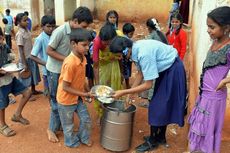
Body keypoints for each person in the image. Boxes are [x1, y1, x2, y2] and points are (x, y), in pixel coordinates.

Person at [110, 36, 187, 152]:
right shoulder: (135, 49)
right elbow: (140, 74)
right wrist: (129, 94)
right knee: (161, 105)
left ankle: (153, 141)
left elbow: (148, 85)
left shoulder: (143, 54)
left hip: (173, 70)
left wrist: (123, 92)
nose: (120, 58)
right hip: (165, 70)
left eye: (120, 55)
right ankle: (160, 137)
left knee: (157, 106)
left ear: (126, 50)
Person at [45, 6, 93, 143]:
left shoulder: (80, 38)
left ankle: (61, 125)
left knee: (64, 99)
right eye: (83, 26)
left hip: (71, 68)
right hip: (56, 70)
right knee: (56, 102)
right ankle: (51, 129)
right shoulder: (60, 31)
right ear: (75, 21)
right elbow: (49, 50)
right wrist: (67, 59)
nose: (84, 29)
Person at [188, 6, 230, 153]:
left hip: (214, 97)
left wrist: (224, 81)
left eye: (212, 27)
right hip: (204, 94)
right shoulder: (216, 41)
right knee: (200, 127)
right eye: (207, 26)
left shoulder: (228, 48)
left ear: (226, 28)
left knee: (207, 128)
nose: (208, 30)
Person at [57, 28, 94, 148]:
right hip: (66, 100)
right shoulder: (70, 63)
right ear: (73, 44)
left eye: (88, 45)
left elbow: (81, 77)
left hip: (77, 97)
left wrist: (87, 90)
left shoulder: (83, 58)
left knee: (86, 119)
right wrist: (85, 94)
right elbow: (65, 87)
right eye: (84, 45)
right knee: (68, 125)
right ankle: (70, 142)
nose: (87, 48)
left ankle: (83, 137)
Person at [0, 28, 31, 137]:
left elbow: (11, 57)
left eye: (1, 37)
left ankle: (17, 115)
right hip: (0, 83)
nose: (1, 40)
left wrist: (15, 63)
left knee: (27, 93)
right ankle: (2, 125)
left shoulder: (4, 46)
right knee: (2, 104)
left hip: (9, 77)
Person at [92, 23, 120, 123]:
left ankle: (112, 112)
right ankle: (101, 114)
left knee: (115, 88)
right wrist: (98, 84)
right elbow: (95, 65)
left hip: (114, 63)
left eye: (110, 43)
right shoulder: (97, 42)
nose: (107, 45)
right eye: (105, 44)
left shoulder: (118, 37)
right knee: (102, 89)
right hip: (102, 64)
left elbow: (121, 55)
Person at [15, 13, 42, 95]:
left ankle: (33, 90)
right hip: (25, 58)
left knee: (33, 74)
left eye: (27, 20)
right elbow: (20, 50)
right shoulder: (20, 34)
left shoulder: (27, 30)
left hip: (31, 56)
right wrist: (24, 63)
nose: (27, 22)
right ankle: (26, 94)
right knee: (26, 76)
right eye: (25, 20)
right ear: (19, 22)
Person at [30, 15, 56, 97]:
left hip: (56, 68)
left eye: (53, 26)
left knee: (56, 89)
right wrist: (46, 63)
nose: (51, 29)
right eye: (48, 26)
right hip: (47, 70)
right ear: (42, 27)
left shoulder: (54, 35)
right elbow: (32, 56)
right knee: (49, 91)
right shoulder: (40, 39)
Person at [122, 23, 135, 89]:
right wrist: (130, 51)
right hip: (125, 59)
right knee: (125, 72)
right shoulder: (126, 40)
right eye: (131, 34)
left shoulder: (126, 39)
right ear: (125, 33)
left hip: (126, 59)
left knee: (125, 72)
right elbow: (126, 53)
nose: (132, 36)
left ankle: (125, 84)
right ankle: (126, 85)